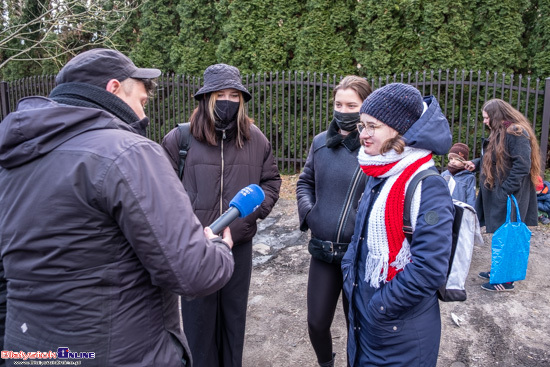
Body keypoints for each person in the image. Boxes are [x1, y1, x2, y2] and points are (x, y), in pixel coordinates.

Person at [0, 48, 235, 366]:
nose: (143, 116)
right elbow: (193, 272)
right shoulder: (127, 152)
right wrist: (218, 248)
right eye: (140, 101)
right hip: (120, 353)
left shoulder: (13, 161)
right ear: (113, 88)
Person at [161, 63, 281, 367]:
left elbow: (270, 182)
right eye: (220, 94)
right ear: (206, 98)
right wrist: (185, 229)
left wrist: (250, 216)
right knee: (199, 326)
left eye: (233, 95)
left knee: (233, 322)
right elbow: (160, 191)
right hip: (195, 249)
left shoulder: (256, 139)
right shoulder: (180, 140)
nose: (227, 101)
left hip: (238, 247)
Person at [341, 83, 454, 367]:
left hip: (399, 330)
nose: (363, 134)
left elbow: (429, 269)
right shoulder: (379, 170)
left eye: (373, 127)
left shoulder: (428, 186)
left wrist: (380, 307)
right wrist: (349, 272)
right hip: (368, 321)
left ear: (398, 129)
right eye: (361, 126)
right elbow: (360, 238)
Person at [296, 76, 372, 367]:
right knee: (316, 323)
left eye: (352, 105)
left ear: (365, 108)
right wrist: (309, 213)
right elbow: (304, 182)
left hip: (358, 256)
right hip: (323, 252)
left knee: (360, 327)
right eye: (339, 103)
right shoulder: (319, 143)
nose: (344, 109)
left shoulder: (373, 149)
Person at [464, 99, 541, 292]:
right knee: (501, 231)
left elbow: (522, 165)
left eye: (486, 117)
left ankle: (506, 280)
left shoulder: (516, 132)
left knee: (509, 233)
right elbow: (494, 157)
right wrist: (475, 163)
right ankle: (499, 270)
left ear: (496, 116)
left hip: (512, 194)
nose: (484, 121)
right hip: (501, 191)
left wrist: (506, 189)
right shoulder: (501, 132)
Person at [441, 142, 476, 207]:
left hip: (460, 210)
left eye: (457, 159)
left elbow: (471, 198)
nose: (453, 161)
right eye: (451, 158)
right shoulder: (444, 174)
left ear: (464, 161)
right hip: (444, 208)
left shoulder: (469, 177)